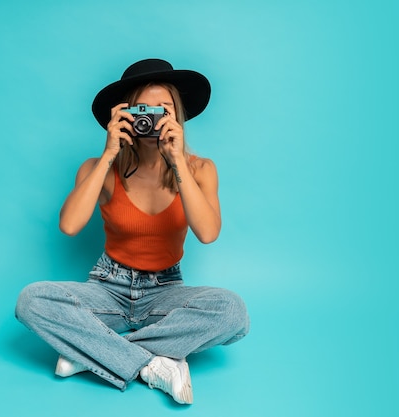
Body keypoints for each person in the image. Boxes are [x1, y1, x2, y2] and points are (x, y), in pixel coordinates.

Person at [15, 58, 250, 405]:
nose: (152, 119)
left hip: (164, 291)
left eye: (163, 110)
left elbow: (208, 232)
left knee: (233, 312)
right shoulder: (99, 168)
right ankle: (156, 363)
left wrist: (177, 162)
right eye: (144, 109)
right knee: (31, 300)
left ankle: (92, 354)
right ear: (124, 114)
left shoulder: (200, 169)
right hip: (107, 288)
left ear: (178, 117)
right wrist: (109, 152)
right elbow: (69, 226)